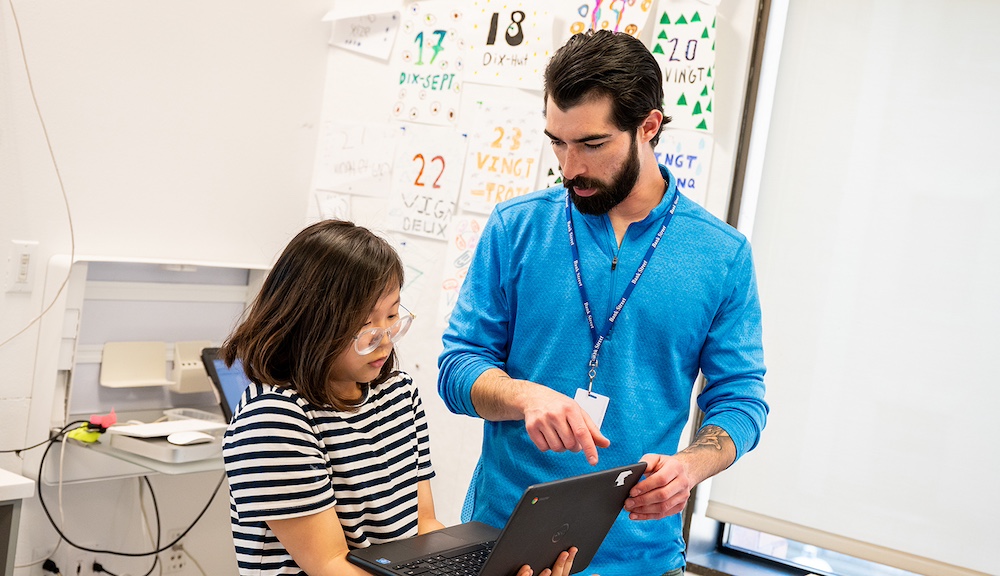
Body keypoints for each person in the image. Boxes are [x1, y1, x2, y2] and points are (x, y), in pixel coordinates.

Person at [438, 30, 769, 576]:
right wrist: (523, 396)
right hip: (504, 548)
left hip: (640, 556)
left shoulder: (721, 254)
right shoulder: (515, 228)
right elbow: (456, 369)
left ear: (649, 126)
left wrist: (690, 466)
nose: (570, 168)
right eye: (557, 143)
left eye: (591, 145)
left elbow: (741, 399)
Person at [220, 220, 577, 576]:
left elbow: (424, 528)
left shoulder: (397, 391)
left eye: (392, 316)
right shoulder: (273, 420)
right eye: (365, 326)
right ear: (312, 323)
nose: (386, 339)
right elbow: (330, 565)